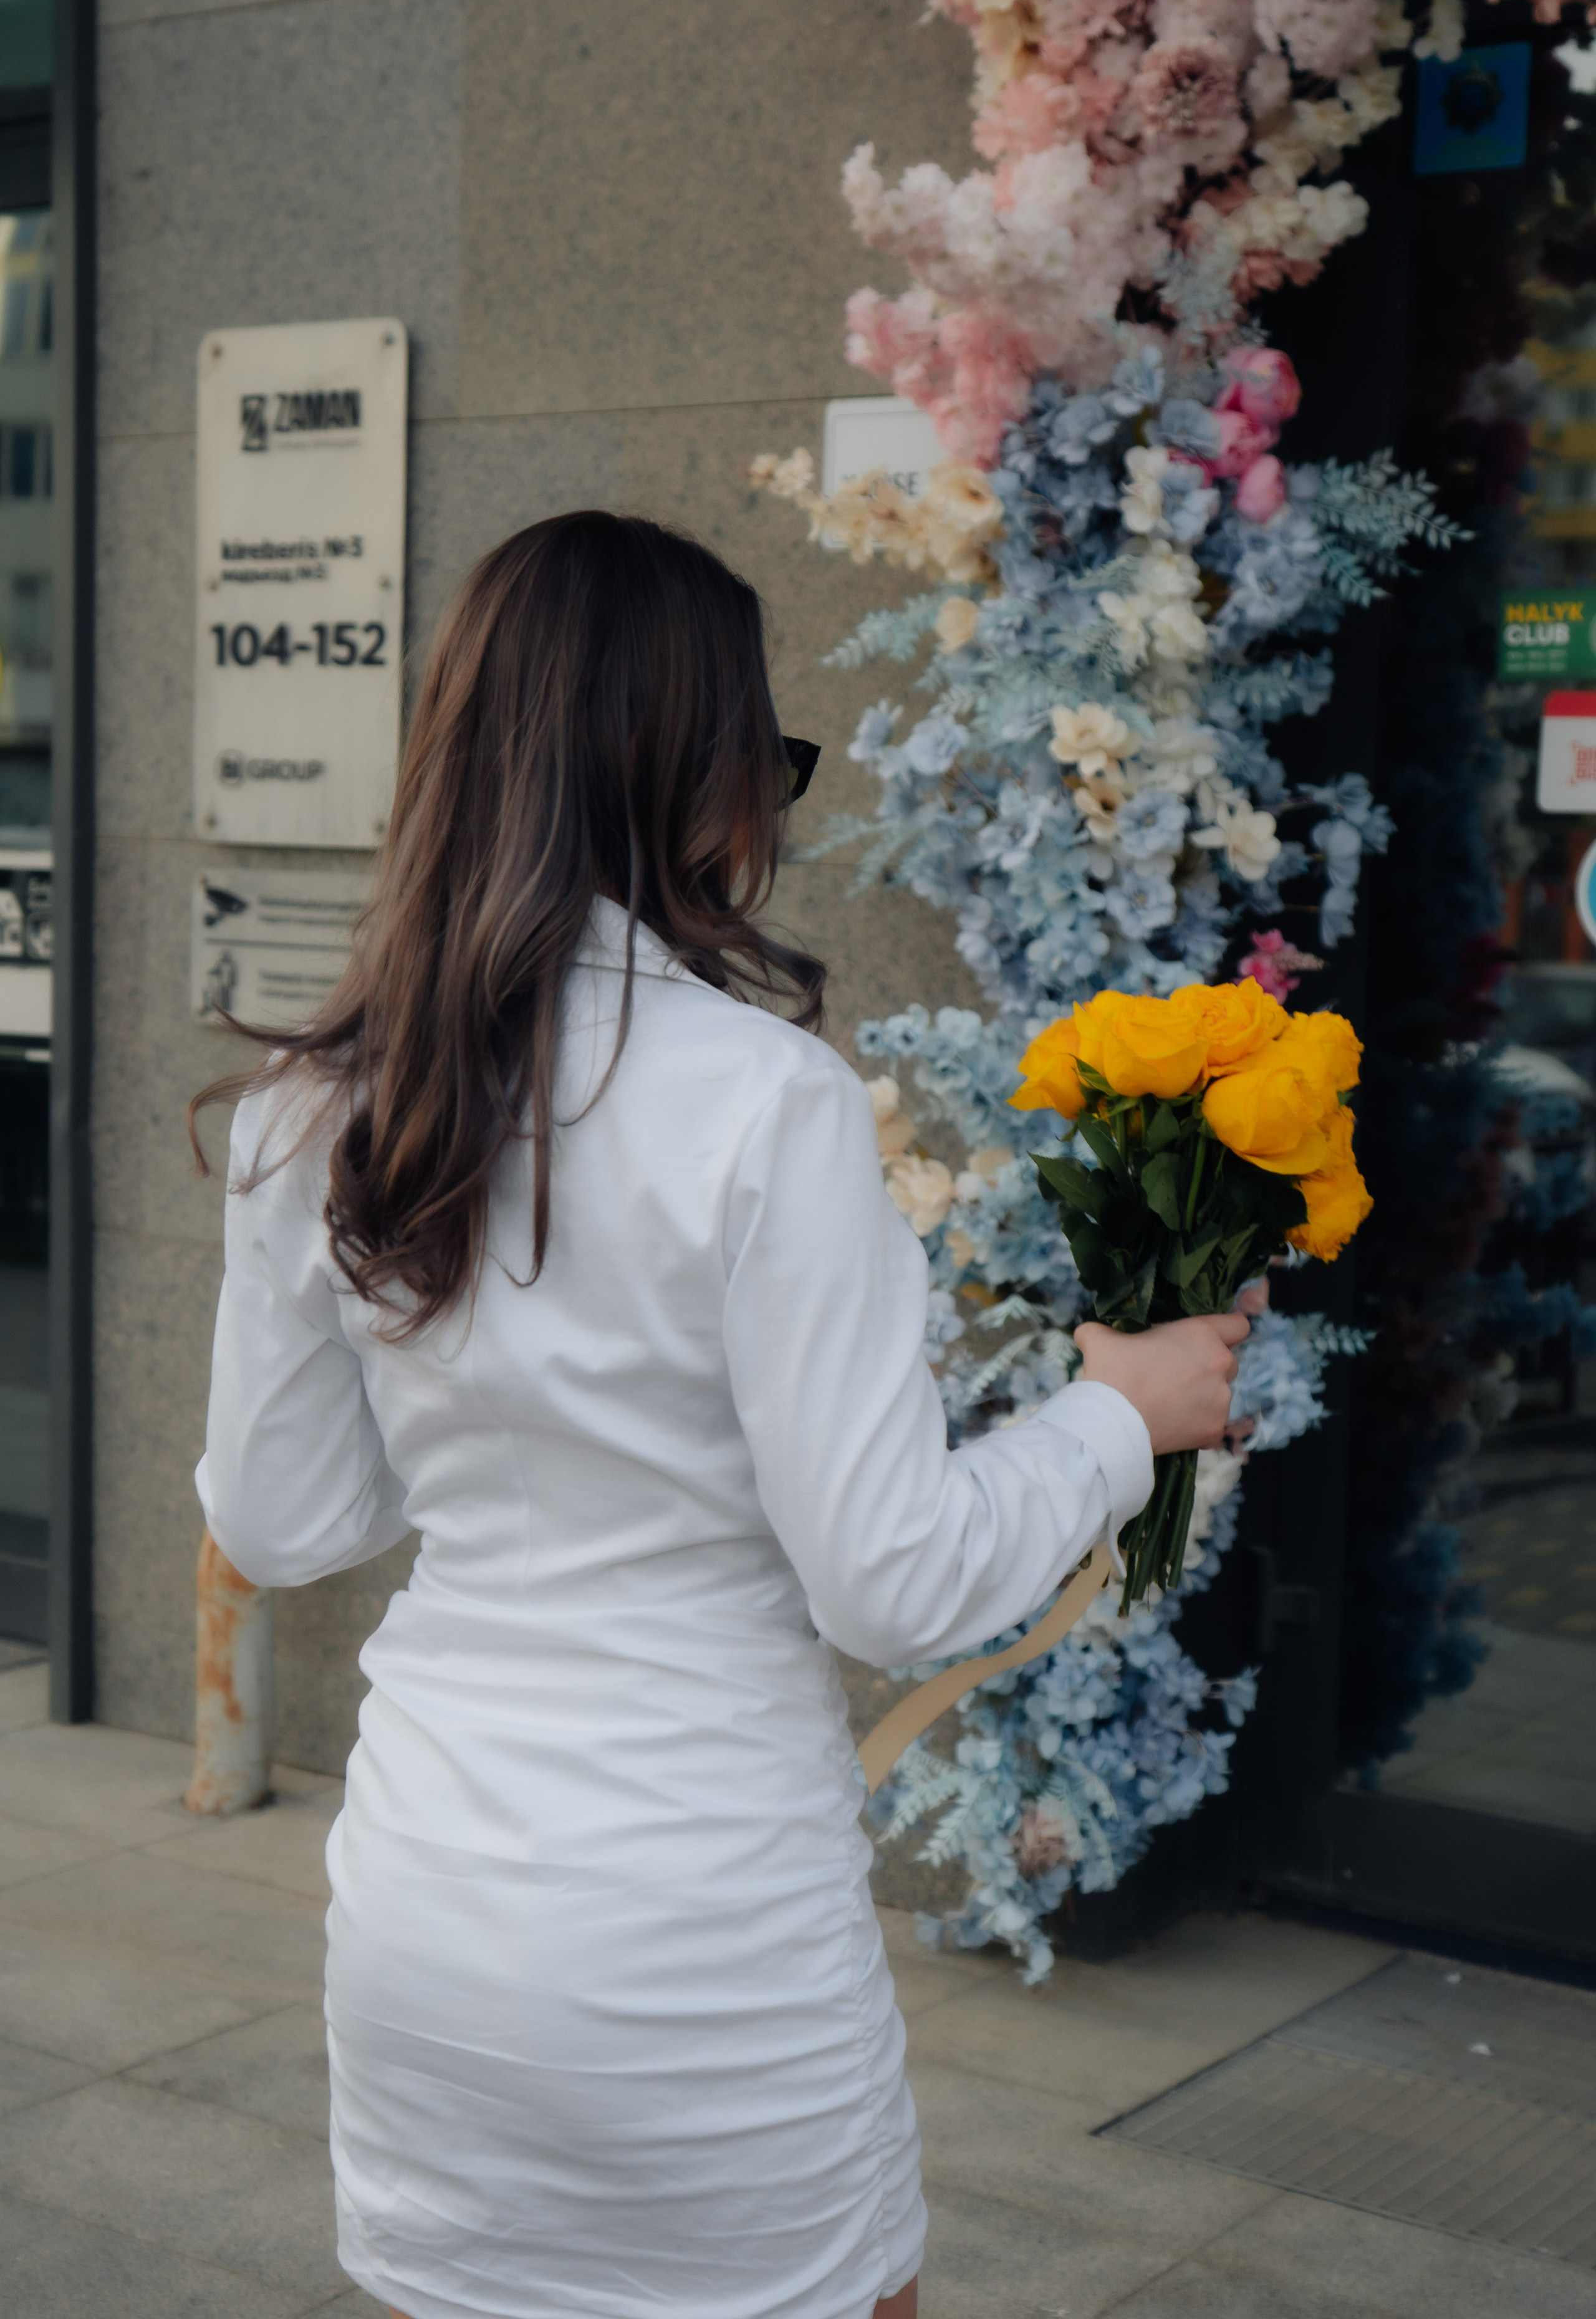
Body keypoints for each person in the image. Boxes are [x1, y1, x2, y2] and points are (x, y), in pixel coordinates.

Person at [191, 512, 1247, 2319]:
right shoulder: (769, 1103)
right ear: (688, 776)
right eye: (769, 759)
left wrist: (482, 1413)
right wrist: (1115, 1414)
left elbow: (277, 1526)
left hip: (430, 1895)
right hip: (702, 1932)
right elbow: (894, 1583)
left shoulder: (315, 1108)